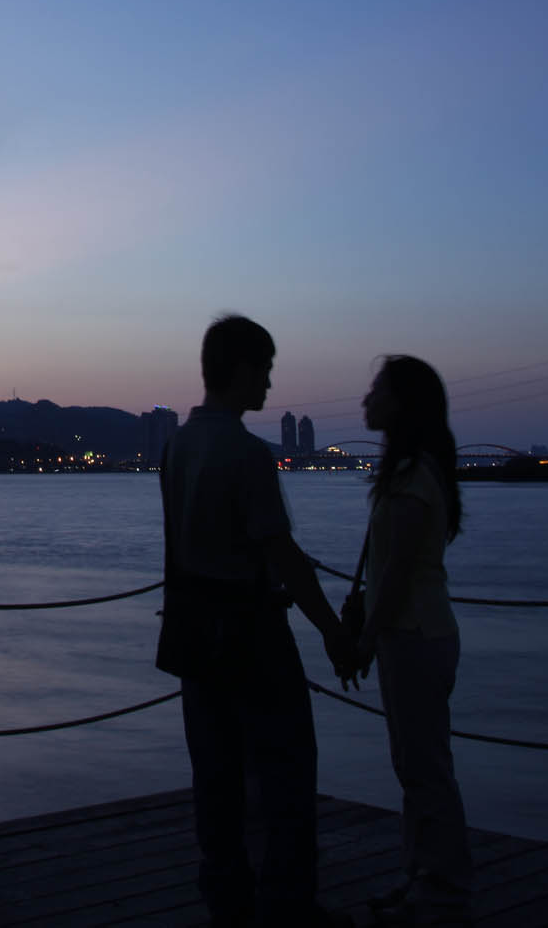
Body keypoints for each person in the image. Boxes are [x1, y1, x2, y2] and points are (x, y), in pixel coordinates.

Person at [156, 314, 357, 928]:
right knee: (285, 776)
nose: (269, 383)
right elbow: (281, 555)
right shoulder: (246, 454)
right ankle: (289, 910)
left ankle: (228, 903)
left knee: (215, 779)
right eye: (265, 369)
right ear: (240, 369)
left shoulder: (178, 446)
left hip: (192, 630)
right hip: (251, 631)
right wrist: (333, 628)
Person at [356, 355, 473, 926]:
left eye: (376, 390)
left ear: (401, 403)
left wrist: (365, 637)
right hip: (419, 633)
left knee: (424, 766)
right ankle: (418, 877)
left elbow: (397, 574)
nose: (365, 400)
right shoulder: (416, 469)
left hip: (414, 635)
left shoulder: (411, 476)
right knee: (416, 764)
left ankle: (443, 887)